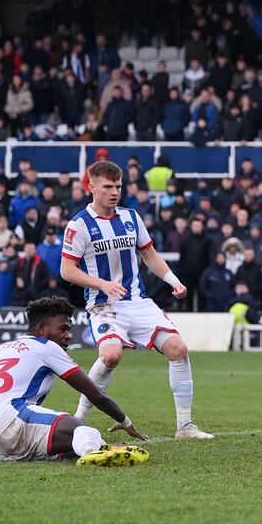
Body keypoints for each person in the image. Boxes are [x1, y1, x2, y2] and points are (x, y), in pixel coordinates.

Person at [60, 161, 213, 440]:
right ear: (91, 187)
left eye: (118, 186)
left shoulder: (131, 217)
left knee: (178, 349)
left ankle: (185, 426)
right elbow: (67, 270)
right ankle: (79, 419)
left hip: (138, 302)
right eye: (107, 186)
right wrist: (102, 283)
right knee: (110, 356)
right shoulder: (79, 224)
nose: (114, 191)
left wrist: (173, 281)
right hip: (104, 305)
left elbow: (149, 255)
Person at [0, 297, 148, 465]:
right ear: (41, 329)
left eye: (69, 329)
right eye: (63, 329)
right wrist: (125, 421)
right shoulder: (46, 347)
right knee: (84, 431)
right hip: (15, 418)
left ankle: (78, 451)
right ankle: (93, 455)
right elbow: (94, 394)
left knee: (72, 445)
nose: (68, 335)